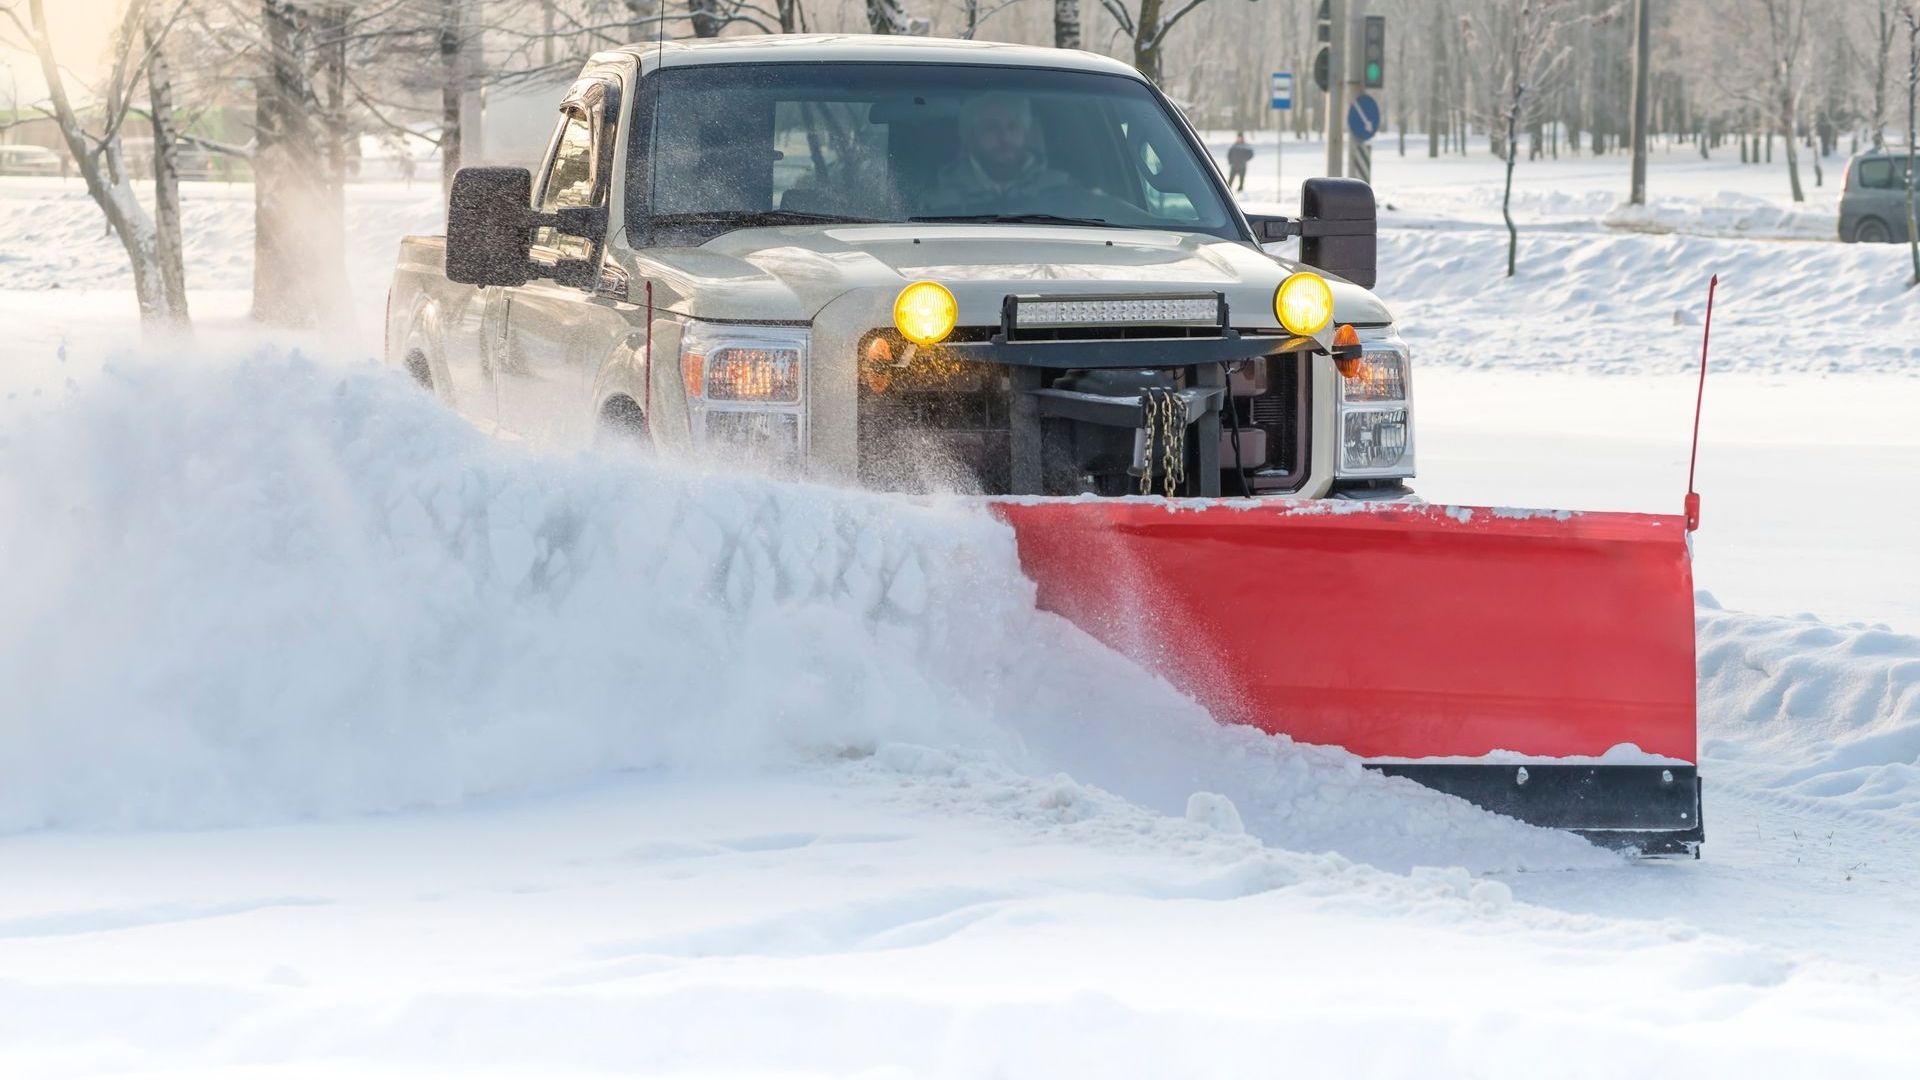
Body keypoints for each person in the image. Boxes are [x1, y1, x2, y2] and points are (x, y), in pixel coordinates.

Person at [929, 93, 1079, 214]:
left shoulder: (1062, 187)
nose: (1004, 138)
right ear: (971, 138)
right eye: (991, 128)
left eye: (1012, 127)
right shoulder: (939, 196)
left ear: (1025, 133)